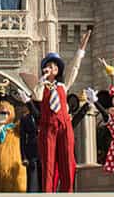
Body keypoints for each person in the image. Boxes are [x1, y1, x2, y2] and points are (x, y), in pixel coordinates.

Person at [32, 29, 90, 193]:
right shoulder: (41, 86)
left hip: (64, 125)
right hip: (47, 126)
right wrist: (43, 79)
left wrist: (81, 47)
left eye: (55, 65)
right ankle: (48, 193)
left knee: (67, 161)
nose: (52, 68)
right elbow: (36, 95)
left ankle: (68, 192)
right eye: (49, 65)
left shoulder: (63, 86)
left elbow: (74, 67)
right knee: (49, 163)